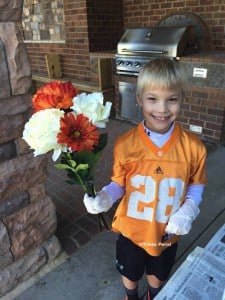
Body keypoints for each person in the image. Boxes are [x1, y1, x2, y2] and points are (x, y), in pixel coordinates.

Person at [83, 57, 207, 300]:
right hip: (132, 230)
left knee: (158, 271)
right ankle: (131, 295)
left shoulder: (194, 148)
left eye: (171, 99)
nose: (162, 109)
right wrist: (106, 196)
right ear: (139, 99)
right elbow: (120, 183)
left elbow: (196, 184)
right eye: (153, 98)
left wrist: (189, 209)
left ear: (182, 99)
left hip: (166, 232)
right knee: (129, 270)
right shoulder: (125, 143)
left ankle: (153, 294)